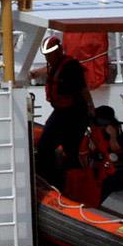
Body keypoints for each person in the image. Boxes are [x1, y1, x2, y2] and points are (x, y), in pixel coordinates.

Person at [34, 36, 95, 193]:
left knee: (70, 149)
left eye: (50, 54)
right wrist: (34, 73)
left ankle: (68, 184)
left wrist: (91, 108)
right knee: (45, 146)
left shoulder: (71, 67)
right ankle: (51, 179)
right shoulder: (54, 66)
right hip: (61, 112)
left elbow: (83, 89)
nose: (48, 58)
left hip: (74, 114)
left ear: (58, 51)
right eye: (46, 55)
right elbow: (48, 71)